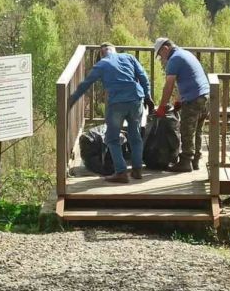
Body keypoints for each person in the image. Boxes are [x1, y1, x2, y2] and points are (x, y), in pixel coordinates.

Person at [69, 43, 155, 183]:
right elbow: (144, 77)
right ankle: (137, 169)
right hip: (136, 100)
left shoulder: (102, 64)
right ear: (114, 50)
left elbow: (86, 83)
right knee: (135, 136)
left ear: (102, 54)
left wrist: (72, 100)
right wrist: (148, 96)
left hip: (117, 104)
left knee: (111, 138)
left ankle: (121, 172)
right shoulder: (129, 57)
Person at [153, 37, 209, 172]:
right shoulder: (185, 53)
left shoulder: (174, 60)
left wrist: (161, 107)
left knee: (186, 130)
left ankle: (185, 162)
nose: (161, 59)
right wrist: (178, 101)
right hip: (206, 96)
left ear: (165, 49)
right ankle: (195, 160)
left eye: (160, 55)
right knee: (197, 130)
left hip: (194, 99)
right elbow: (185, 80)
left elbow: (169, 85)